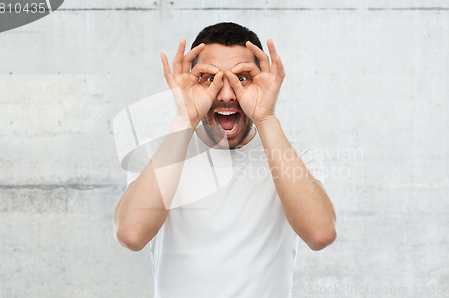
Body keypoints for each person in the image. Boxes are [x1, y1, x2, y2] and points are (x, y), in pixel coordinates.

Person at [113, 22, 337, 297]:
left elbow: (321, 235)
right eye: (211, 78)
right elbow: (131, 235)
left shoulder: (294, 157)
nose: (228, 94)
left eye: (241, 78)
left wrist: (266, 118)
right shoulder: (157, 153)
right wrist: (185, 119)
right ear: (193, 81)